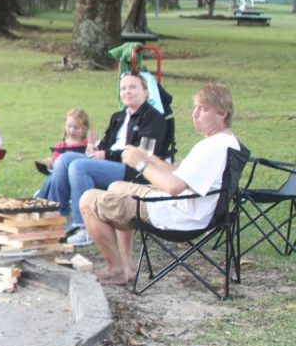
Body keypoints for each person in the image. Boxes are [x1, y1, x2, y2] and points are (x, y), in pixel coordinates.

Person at [80, 84, 240, 285]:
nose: (195, 114)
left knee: (87, 200)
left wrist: (140, 163)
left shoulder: (211, 148)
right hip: (192, 208)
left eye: (203, 109)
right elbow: (179, 175)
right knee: (116, 187)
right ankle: (126, 266)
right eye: (195, 107)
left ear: (222, 114)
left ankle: (116, 269)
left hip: (179, 215)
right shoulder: (226, 142)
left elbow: (173, 186)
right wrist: (149, 157)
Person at [47, 71, 169, 247]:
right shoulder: (118, 117)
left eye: (133, 87)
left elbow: (143, 153)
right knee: (63, 159)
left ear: (145, 92)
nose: (127, 91)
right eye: (123, 88)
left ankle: (86, 227)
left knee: (79, 167)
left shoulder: (153, 118)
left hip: (133, 169)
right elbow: (106, 143)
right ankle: (58, 219)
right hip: (108, 163)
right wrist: (96, 149)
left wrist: (107, 155)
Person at [35, 108, 91, 199]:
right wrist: (50, 163)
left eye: (76, 127)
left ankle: (41, 200)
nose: (72, 130)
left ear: (84, 129)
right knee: (50, 178)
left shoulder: (87, 146)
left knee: (52, 179)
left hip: (74, 178)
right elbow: (55, 165)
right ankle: (41, 200)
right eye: (69, 126)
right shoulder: (61, 145)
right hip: (57, 177)